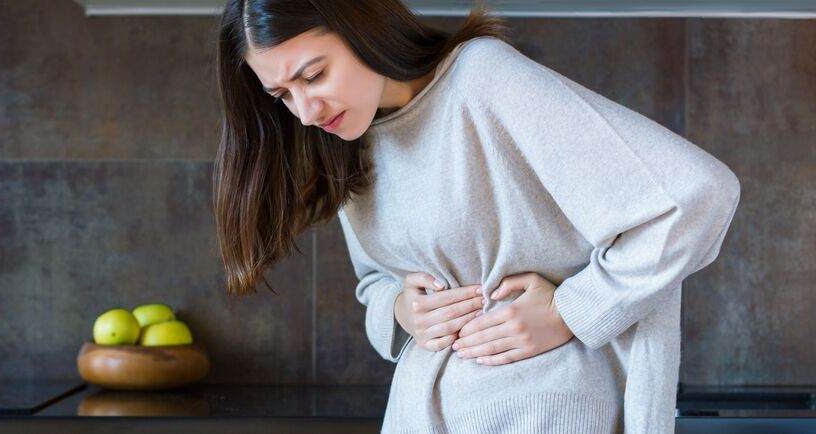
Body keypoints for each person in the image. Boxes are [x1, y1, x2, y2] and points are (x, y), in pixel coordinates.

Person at [213, 1, 742, 433]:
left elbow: (697, 195)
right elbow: (376, 278)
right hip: (416, 414)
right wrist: (402, 312)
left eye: (315, 74)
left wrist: (572, 311)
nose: (306, 111)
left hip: (543, 412)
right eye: (282, 95)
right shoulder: (348, 134)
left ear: (363, 28)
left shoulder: (480, 78)